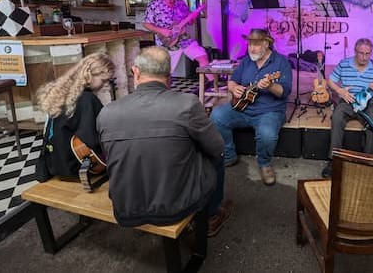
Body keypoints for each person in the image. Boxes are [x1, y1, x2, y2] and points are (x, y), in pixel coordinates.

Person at [96, 46, 232, 237]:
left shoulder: (106, 112)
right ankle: (211, 216)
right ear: (170, 75)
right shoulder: (188, 104)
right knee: (215, 155)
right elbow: (217, 147)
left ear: (136, 72)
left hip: (125, 207)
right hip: (176, 207)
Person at [210, 28, 292, 186]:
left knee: (267, 134)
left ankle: (264, 164)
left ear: (266, 44)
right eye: (249, 45)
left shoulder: (281, 62)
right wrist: (234, 88)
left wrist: (270, 86)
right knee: (217, 115)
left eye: (256, 45)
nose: (251, 49)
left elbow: (284, 91)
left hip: (270, 111)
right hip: (243, 108)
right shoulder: (247, 60)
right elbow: (232, 80)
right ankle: (229, 155)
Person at [35, 52, 114, 178]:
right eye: (104, 80)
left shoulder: (64, 91)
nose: (106, 85)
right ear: (89, 75)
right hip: (73, 165)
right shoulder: (88, 99)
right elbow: (91, 138)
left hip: (54, 162)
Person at [321, 38, 373, 178]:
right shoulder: (344, 64)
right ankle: (333, 160)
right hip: (347, 101)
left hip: (367, 104)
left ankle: (367, 161)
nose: (364, 57)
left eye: (367, 54)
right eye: (361, 53)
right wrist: (339, 91)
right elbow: (330, 80)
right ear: (355, 51)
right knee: (337, 118)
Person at [143, 0, 211, 79]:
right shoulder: (153, 5)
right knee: (166, 72)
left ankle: (213, 85)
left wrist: (195, 14)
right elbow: (146, 24)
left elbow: (190, 22)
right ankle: (164, 92)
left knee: (202, 56)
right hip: (166, 41)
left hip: (183, 38)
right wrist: (162, 30)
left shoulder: (180, 2)